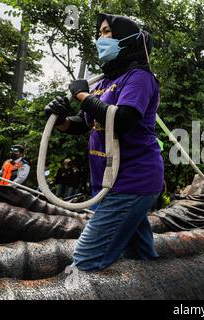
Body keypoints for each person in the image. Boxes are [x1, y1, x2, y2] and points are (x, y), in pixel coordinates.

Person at [44, 13, 164, 271]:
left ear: (127, 39)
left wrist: (82, 95)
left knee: (87, 260)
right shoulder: (105, 82)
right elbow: (85, 124)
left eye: (107, 32)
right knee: (138, 255)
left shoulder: (140, 77)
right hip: (106, 184)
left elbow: (122, 119)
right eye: (100, 33)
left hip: (132, 181)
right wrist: (62, 119)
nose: (101, 38)